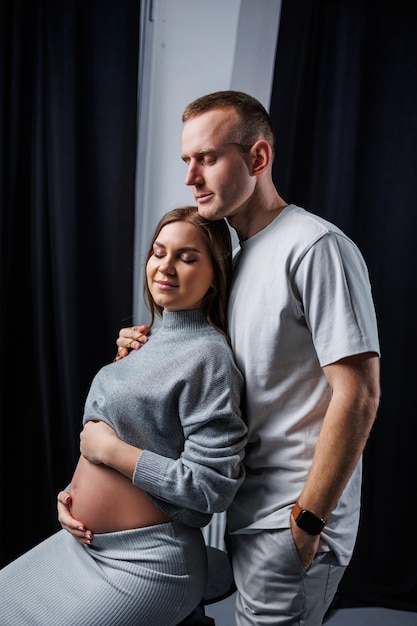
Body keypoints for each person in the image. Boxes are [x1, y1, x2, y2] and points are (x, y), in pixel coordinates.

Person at [59, 91, 381, 626]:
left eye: (207, 158)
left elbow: (359, 393)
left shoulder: (314, 246)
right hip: (240, 514)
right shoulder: (236, 258)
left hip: (290, 517)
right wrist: (142, 350)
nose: (192, 177)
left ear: (257, 159)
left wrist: (308, 519)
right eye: (187, 160)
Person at [0, 206, 247, 626]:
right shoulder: (141, 342)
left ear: (214, 278)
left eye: (187, 257)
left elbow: (210, 489)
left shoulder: (209, 357)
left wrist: (112, 452)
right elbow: (129, 437)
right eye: (158, 252)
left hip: (148, 561)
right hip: (82, 546)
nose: (165, 266)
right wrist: (70, 498)